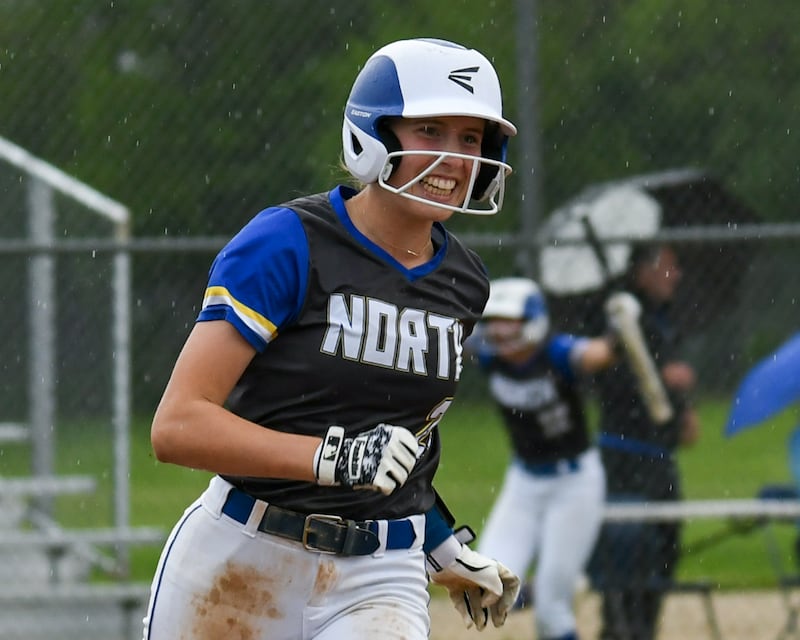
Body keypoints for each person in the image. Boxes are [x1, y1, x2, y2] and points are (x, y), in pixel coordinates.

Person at [141, 37, 521, 640]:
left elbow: (401, 443)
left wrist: (443, 544)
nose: (453, 157)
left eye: (470, 139)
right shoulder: (288, 242)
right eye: (431, 130)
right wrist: (331, 457)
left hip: (380, 572)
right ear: (372, 134)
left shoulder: (464, 280)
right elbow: (178, 425)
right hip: (244, 550)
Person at [468, 277, 616, 640]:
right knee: (486, 586)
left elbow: (595, 354)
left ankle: (554, 589)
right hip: (524, 479)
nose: (499, 331)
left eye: (509, 321)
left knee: (552, 613)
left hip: (573, 482)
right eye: (495, 321)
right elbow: (447, 330)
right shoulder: (489, 355)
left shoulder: (555, 352)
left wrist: (618, 332)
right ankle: (548, 586)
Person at [587, 244, 701, 640]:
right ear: (643, 272)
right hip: (624, 457)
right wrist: (658, 380)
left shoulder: (663, 320)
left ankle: (645, 628)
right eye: (668, 267)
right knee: (625, 550)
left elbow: (666, 384)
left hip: (659, 458)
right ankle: (620, 627)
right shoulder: (619, 316)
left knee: (664, 547)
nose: (677, 275)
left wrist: (681, 407)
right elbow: (610, 380)